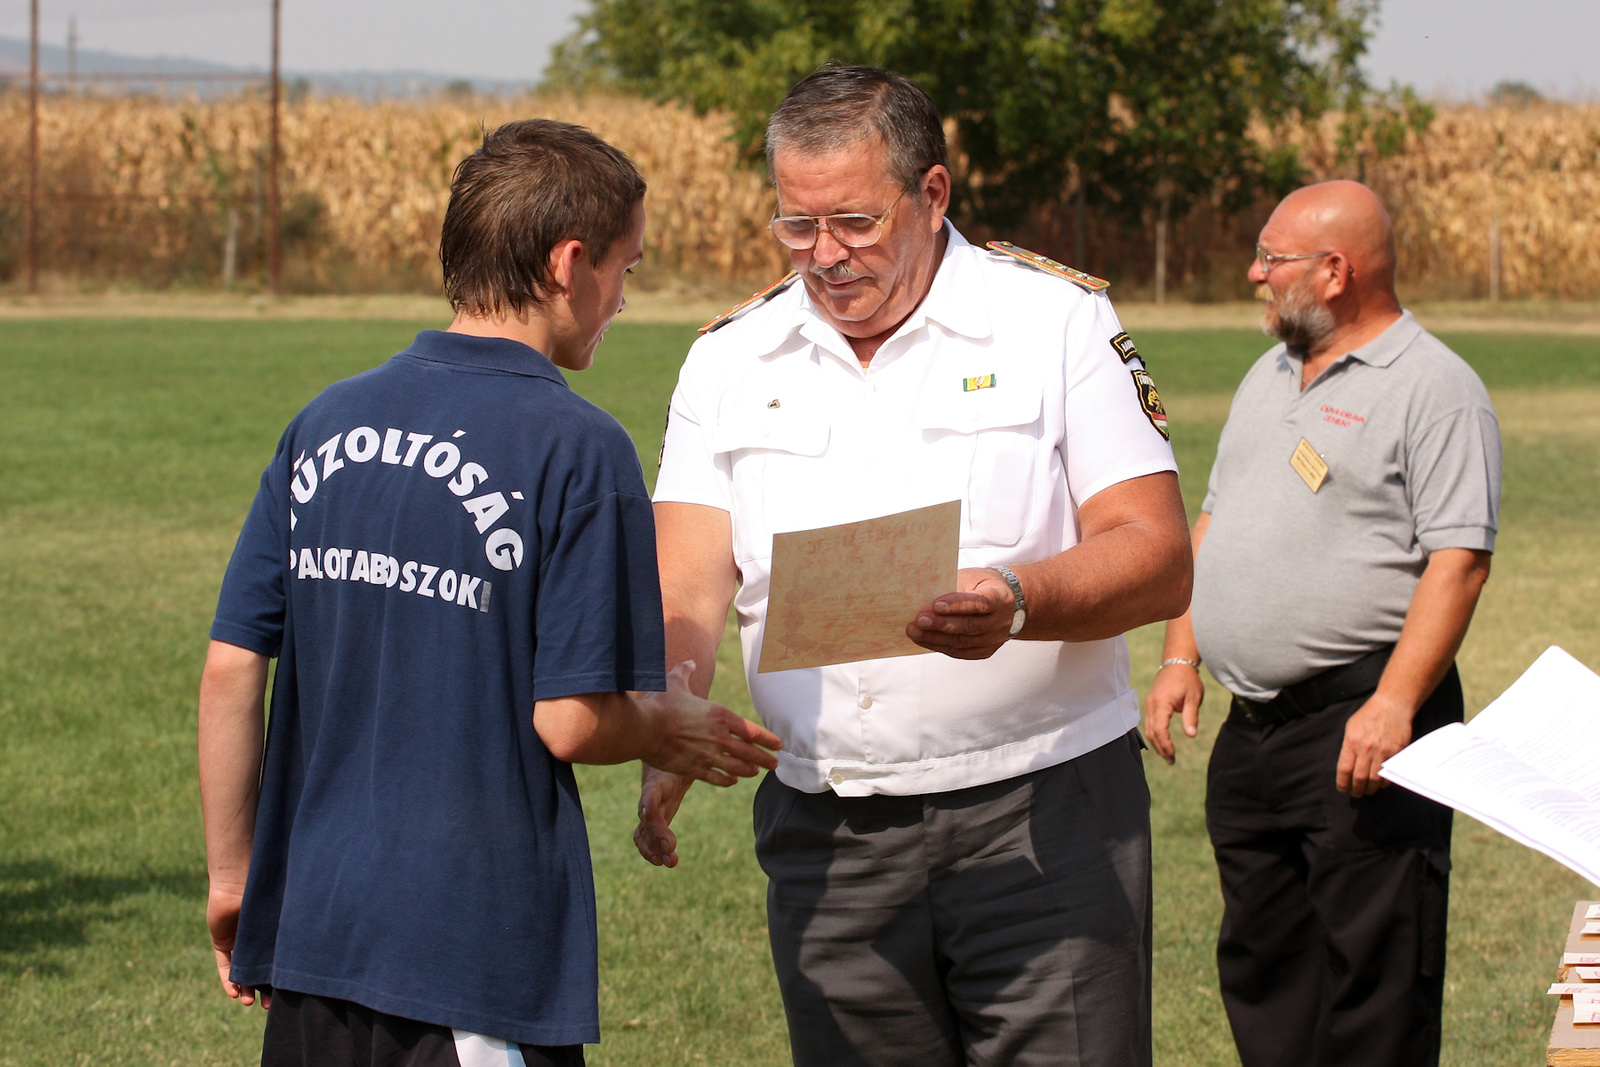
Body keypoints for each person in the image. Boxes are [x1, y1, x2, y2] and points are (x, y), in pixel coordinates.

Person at [636, 66, 1192, 1067]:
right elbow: (686, 581)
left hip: (1041, 811)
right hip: (828, 832)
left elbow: (1156, 557)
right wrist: (670, 706)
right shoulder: (729, 357)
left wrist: (1018, 602)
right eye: (796, 226)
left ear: (932, 195)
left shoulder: (1054, 322)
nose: (825, 256)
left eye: (854, 220)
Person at [197, 118, 781, 1067]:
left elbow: (230, 667)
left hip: (311, 927)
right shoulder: (578, 447)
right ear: (569, 263)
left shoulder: (326, 421)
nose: (621, 300)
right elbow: (573, 721)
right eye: (625, 271)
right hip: (464, 955)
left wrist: (235, 874)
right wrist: (669, 719)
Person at [1143, 179, 1501, 1067]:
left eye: (1274, 256)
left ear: (1335, 271)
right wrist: (1180, 653)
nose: (1255, 272)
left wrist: (1393, 706)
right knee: (1265, 969)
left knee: (1375, 986)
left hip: (1364, 727)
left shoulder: (1436, 389)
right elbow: (1213, 521)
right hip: (1255, 732)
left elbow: (1459, 562)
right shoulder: (1267, 374)